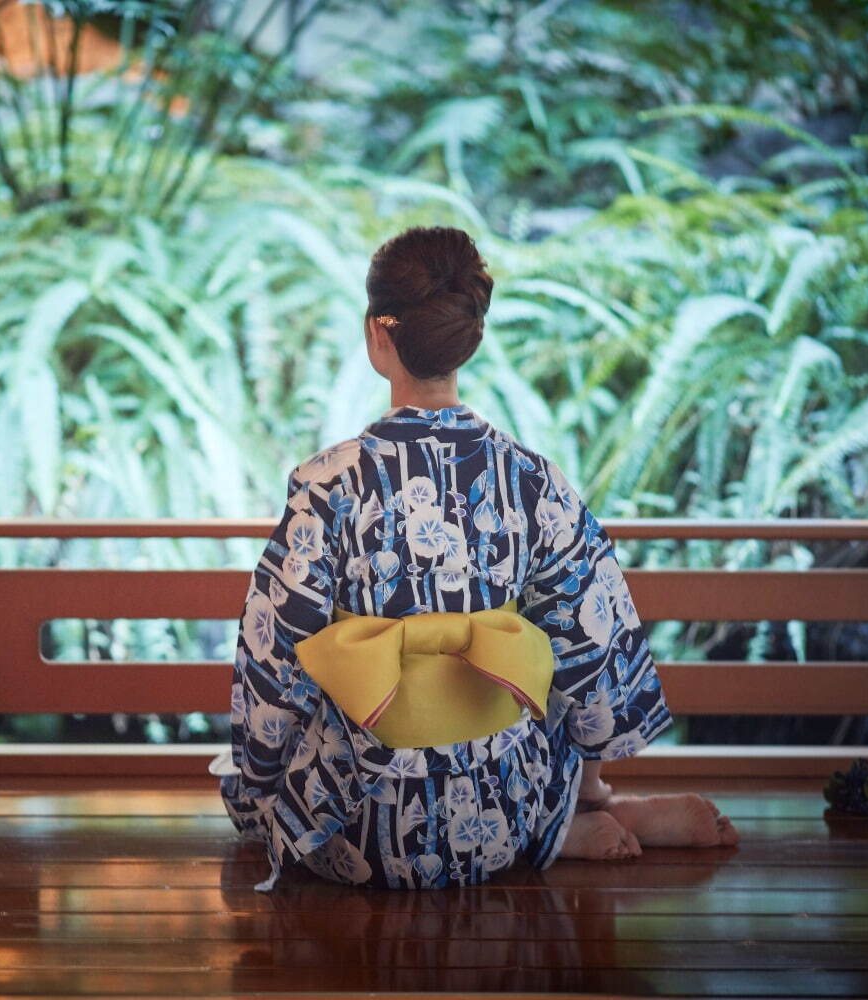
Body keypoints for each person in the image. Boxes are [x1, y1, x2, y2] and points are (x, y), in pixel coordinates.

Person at [210, 225, 739, 892]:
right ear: (472, 335)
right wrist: (594, 773)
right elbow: (592, 635)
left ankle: (563, 826)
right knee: (548, 691)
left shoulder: (328, 484)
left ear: (378, 334)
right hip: (499, 811)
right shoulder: (530, 478)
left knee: (263, 782)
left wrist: (254, 782)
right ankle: (570, 817)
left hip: (355, 828)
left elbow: (274, 656)